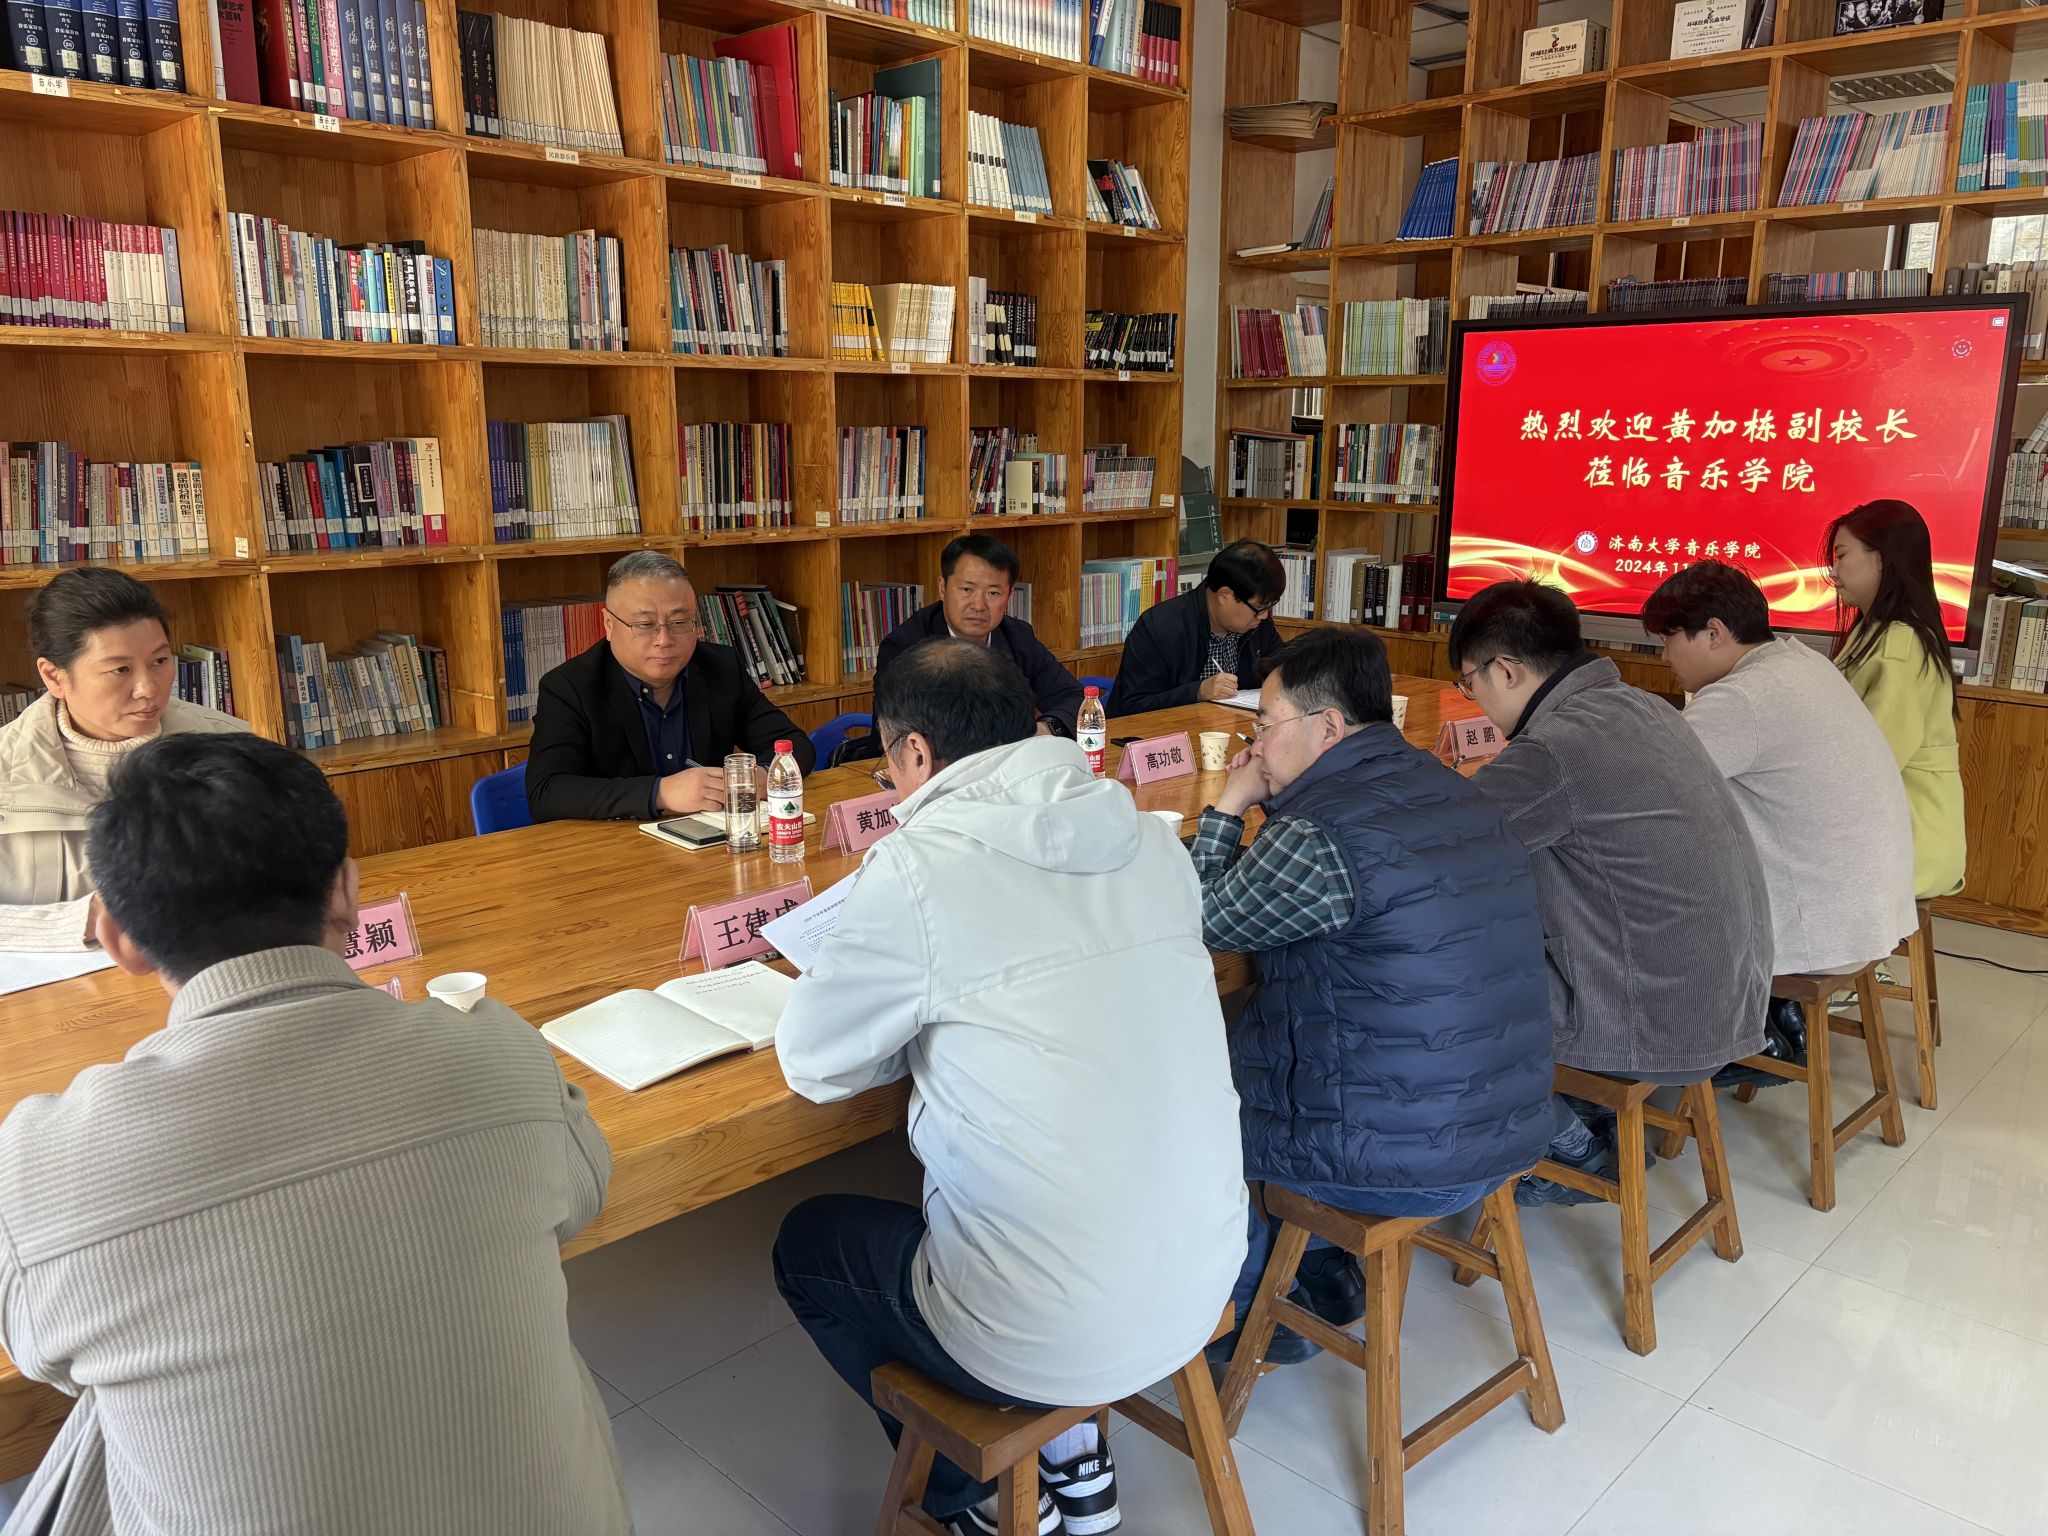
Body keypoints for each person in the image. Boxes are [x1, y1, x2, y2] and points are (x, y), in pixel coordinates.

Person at [0, 733, 629, 1536]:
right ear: (348, 891)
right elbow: (584, 1189)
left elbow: (43, 1352)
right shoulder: (498, 1050)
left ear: (118, 936)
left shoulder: (39, 1163)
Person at [771, 640, 1246, 1536]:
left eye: (887, 765)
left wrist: (920, 1022)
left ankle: (969, 1498)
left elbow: (815, 1066)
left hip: (1043, 1333)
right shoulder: (1151, 839)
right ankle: (1077, 1453)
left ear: (914, 753)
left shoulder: (918, 869)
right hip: (1207, 1277)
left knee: (807, 1242)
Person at [1192, 628, 1553, 1361]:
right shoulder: (1452, 787)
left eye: (1264, 724)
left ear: (1327, 726)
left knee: (1192, 1107)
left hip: (1393, 1155)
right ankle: (1323, 1268)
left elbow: (1198, 922)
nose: (1256, 745)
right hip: (1506, 1124)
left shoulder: (1320, 831)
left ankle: (1260, 1311)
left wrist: (1229, 805)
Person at [1447, 580, 1770, 1203]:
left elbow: (1440, 848)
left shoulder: (1552, 747)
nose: (1475, 701)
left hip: (1659, 1024)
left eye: (1470, 684)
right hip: (1729, 997)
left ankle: (1562, 1141)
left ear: (1506, 670)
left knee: (1436, 970)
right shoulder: (1645, 707)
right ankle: (1581, 1113)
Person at [1644, 559, 1917, 971]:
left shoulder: (1742, 697)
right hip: (1868, 916)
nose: (1665, 656)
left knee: (1623, 902)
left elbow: (1645, 782)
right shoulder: (1802, 661)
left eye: (1669, 639)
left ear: (1714, 633)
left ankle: (1743, 1013)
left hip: (1819, 934)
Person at [0, 567, 245, 953]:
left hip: (201, 970)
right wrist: (81, 920)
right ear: (54, 677)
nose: (148, 689)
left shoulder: (231, 747)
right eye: (121, 670)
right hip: (56, 988)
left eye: (160, 661)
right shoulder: (5, 771)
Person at [525, 549, 814, 822]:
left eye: (679, 622)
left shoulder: (720, 667)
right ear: (609, 625)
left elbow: (794, 744)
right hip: (616, 846)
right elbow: (546, 792)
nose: (664, 640)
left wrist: (762, 776)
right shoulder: (569, 687)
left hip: (711, 838)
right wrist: (660, 793)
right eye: (645, 625)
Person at [1822, 500, 1966, 899]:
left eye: (1842, 556)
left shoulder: (1900, 644)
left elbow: (1876, 761)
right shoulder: (1876, 631)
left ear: (1881, 559)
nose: (1833, 571)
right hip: (1891, 827)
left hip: (1909, 841)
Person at [872, 533, 1084, 737]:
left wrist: (1041, 731)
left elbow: (1075, 699)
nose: (979, 605)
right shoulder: (905, 646)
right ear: (943, 588)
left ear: (1009, 595)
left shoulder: (1018, 637)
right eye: (966, 590)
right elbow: (899, 731)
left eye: (993, 593)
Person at [1108, 539, 1285, 716]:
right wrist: (1197, 692)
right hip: (1169, 730)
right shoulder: (1159, 628)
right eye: (1259, 608)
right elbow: (1133, 706)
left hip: (1234, 727)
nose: (1264, 616)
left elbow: (1283, 671)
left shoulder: (1258, 624)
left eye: (1269, 607)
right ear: (1224, 595)